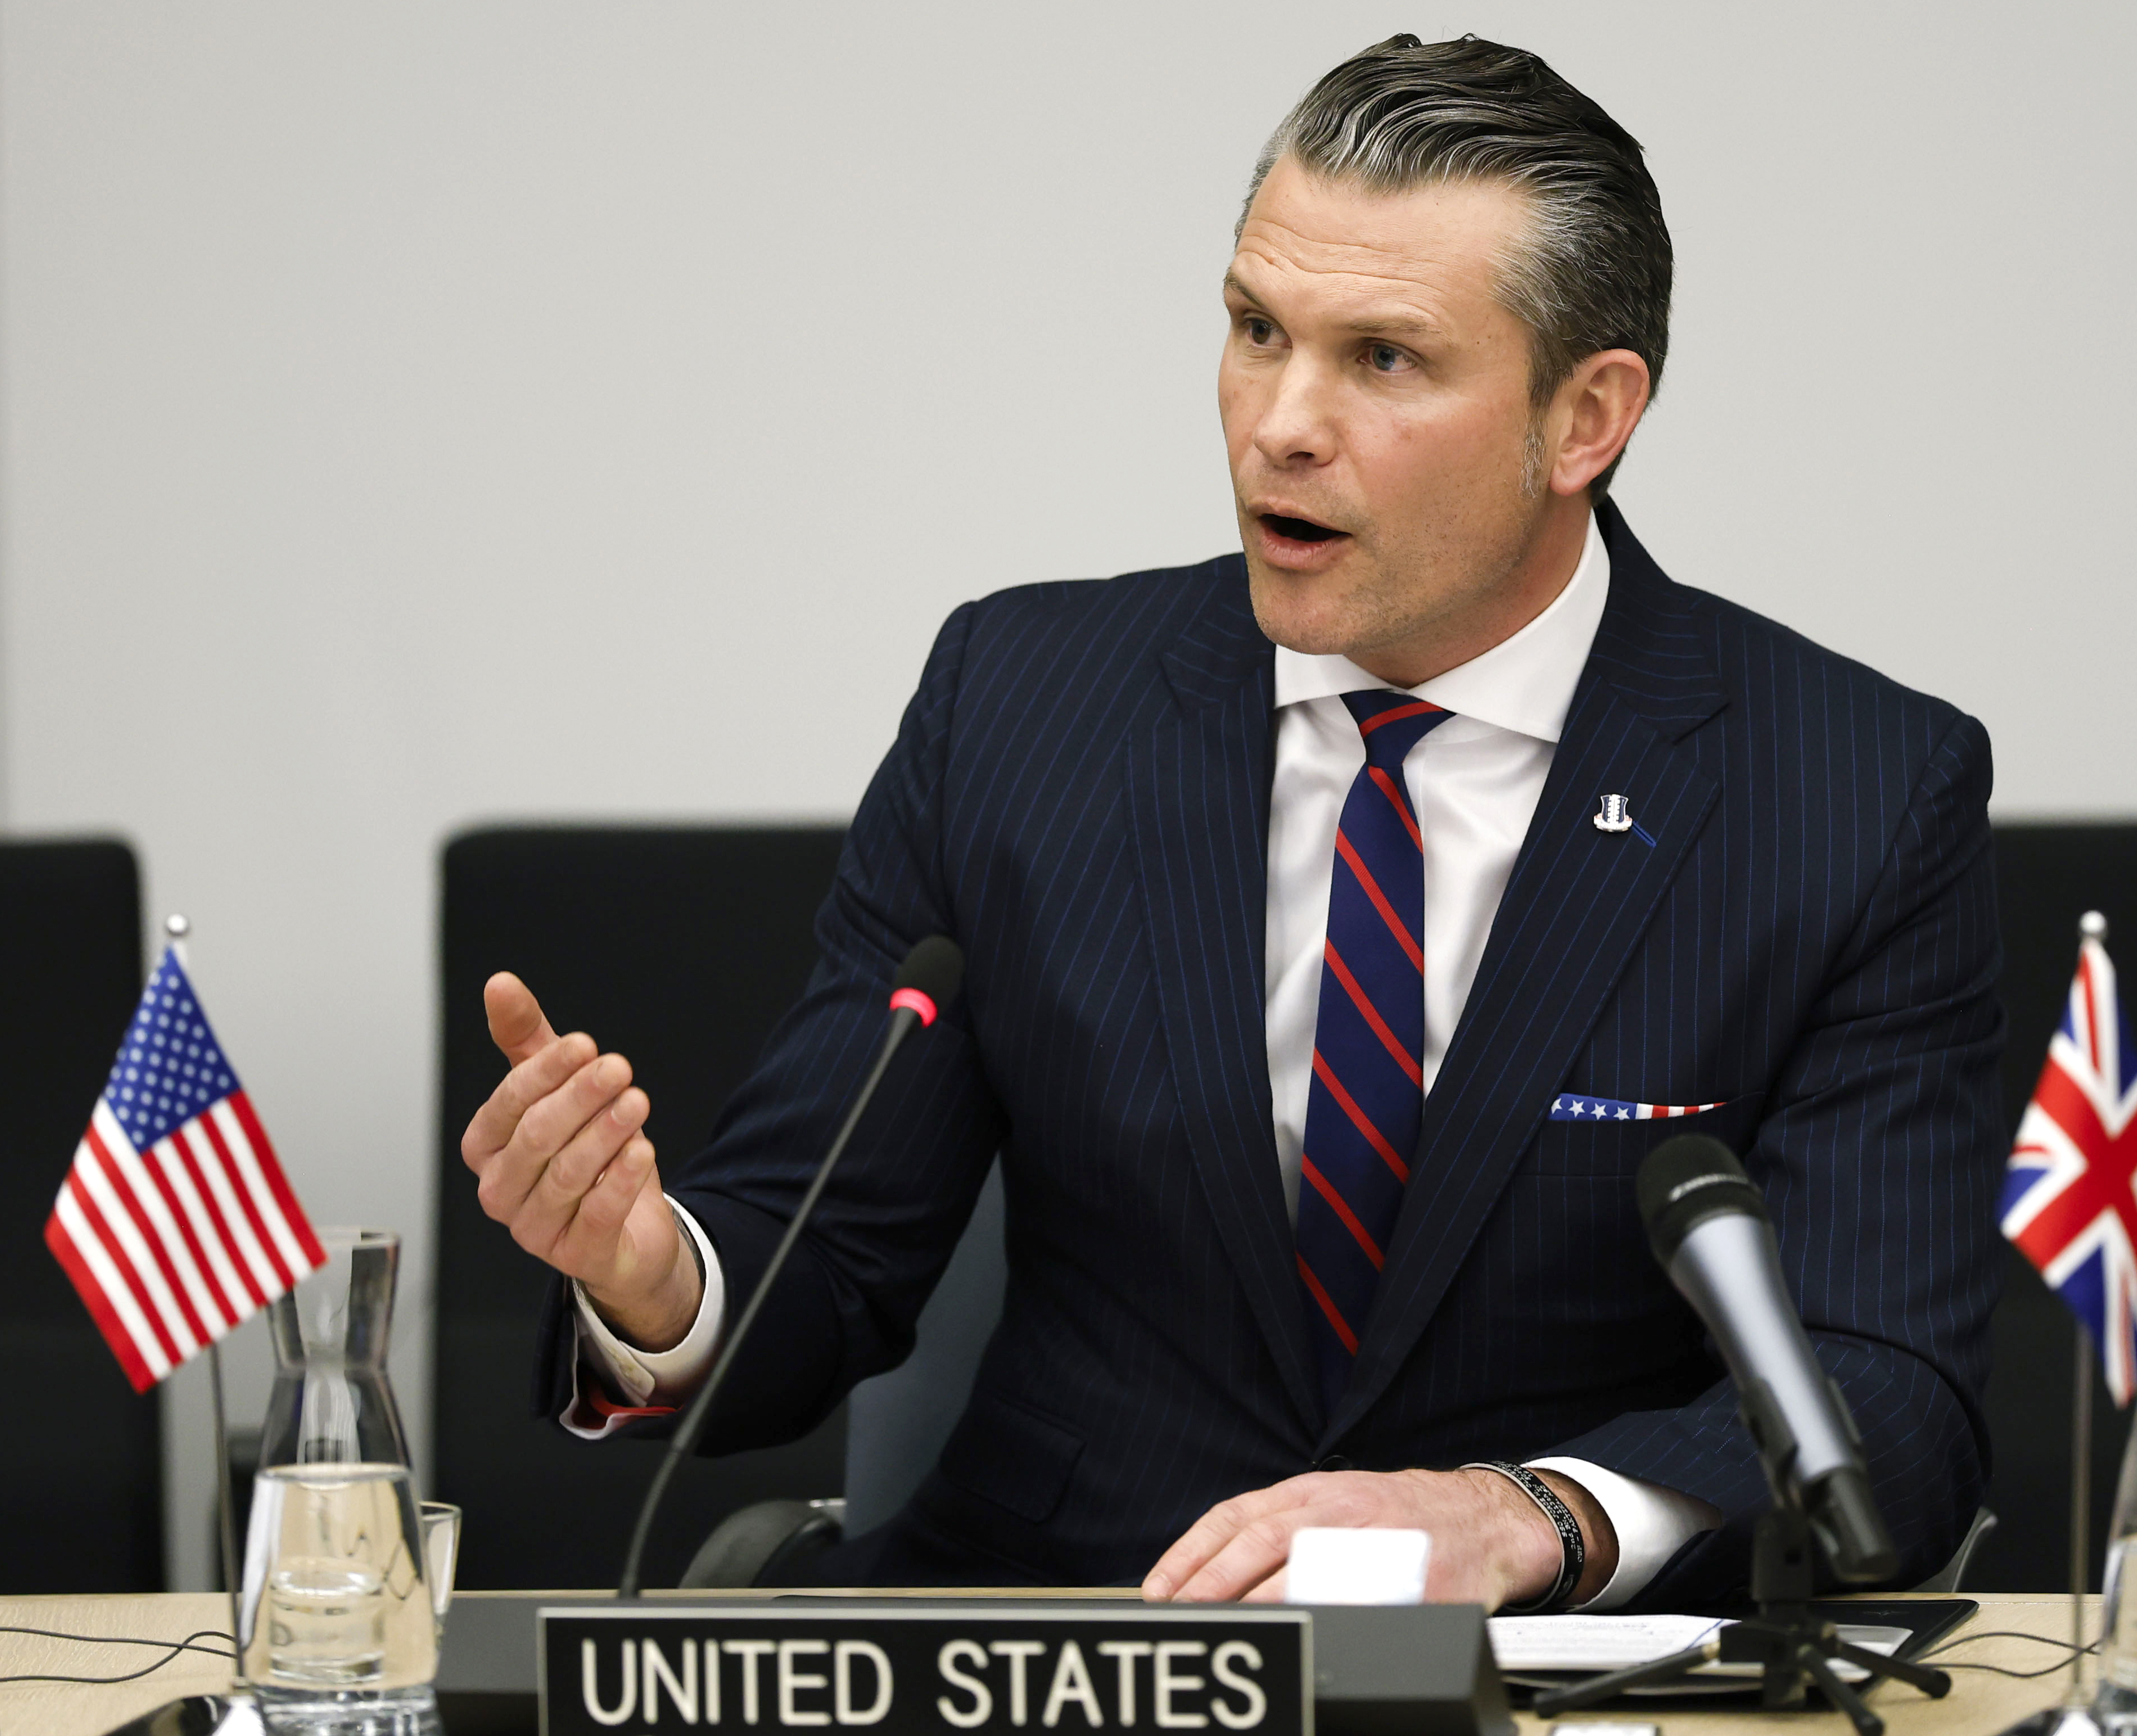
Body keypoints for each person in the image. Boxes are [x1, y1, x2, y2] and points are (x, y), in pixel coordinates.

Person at [458, 33, 2006, 1610]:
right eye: (1258, 329)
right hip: (1064, 1638)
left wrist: (1528, 1517)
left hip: (1543, 1678)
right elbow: (824, 1250)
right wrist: (656, 1279)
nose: (1281, 422)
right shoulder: (1022, 703)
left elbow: (1886, 1388)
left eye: (1383, 359)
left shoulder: (1853, 794)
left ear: (1585, 420)